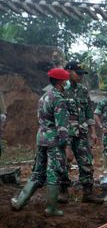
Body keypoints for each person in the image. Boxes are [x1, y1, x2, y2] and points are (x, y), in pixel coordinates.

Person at [11, 68, 71, 215]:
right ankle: (51, 208)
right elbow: (61, 126)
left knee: (38, 172)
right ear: (60, 82)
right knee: (54, 172)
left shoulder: (44, 97)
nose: (67, 82)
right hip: (54, 140)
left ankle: (19, 201)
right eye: (65, 80)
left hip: (42, 138)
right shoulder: (59, 99)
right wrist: (66, 146)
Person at [61, 61, 101, 203]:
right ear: (68, 71)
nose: (80, 76)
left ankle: (87, 193)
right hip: (65, 133)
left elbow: (89, 111)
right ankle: (63, 192)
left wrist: (93, 132)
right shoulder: (59, 89)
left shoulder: (83, 90)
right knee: (64, 161)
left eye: (82, 74)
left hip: (82, 132)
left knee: (86, 162)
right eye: (78, 73)